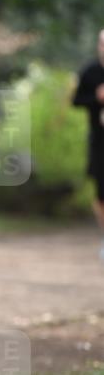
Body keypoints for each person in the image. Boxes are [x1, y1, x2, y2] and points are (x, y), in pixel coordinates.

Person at [72, 29, 104, 255]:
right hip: (99, 140)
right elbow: (76, 100)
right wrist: (96, 98)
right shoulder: (90, 72)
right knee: (101, 192)